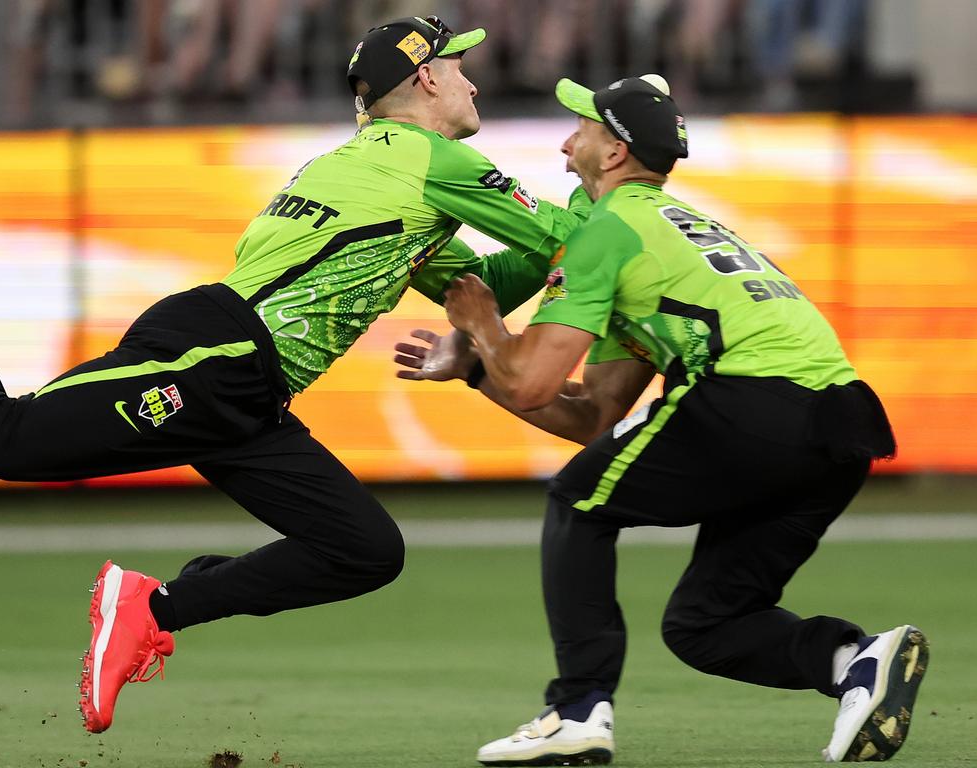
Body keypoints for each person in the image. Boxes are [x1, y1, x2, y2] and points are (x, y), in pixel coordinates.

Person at [0, 15, 591, 734]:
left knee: (362, 552)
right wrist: (593, 206)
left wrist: (535, 268)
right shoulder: (432, 162)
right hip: (214, 360)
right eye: (460, 66)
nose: (470, 80)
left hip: (247, 390)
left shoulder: (375, 168)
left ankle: (153, 610)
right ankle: (146, 608)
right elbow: (576, 248)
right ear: (427, 77)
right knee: (7, 440)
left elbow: (475, 289)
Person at [394, 73, 928, 765]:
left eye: (580, 129)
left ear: (613, 153)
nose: (564, 146)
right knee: (705, 625)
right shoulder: (668, 229)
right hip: (839, 423)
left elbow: (530, 384)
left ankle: (577, 709)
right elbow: (593, 417)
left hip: (752, 399)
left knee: (576, 501)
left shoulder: (610, 230)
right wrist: (474, 371)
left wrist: (482, 327)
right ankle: (856, 661)